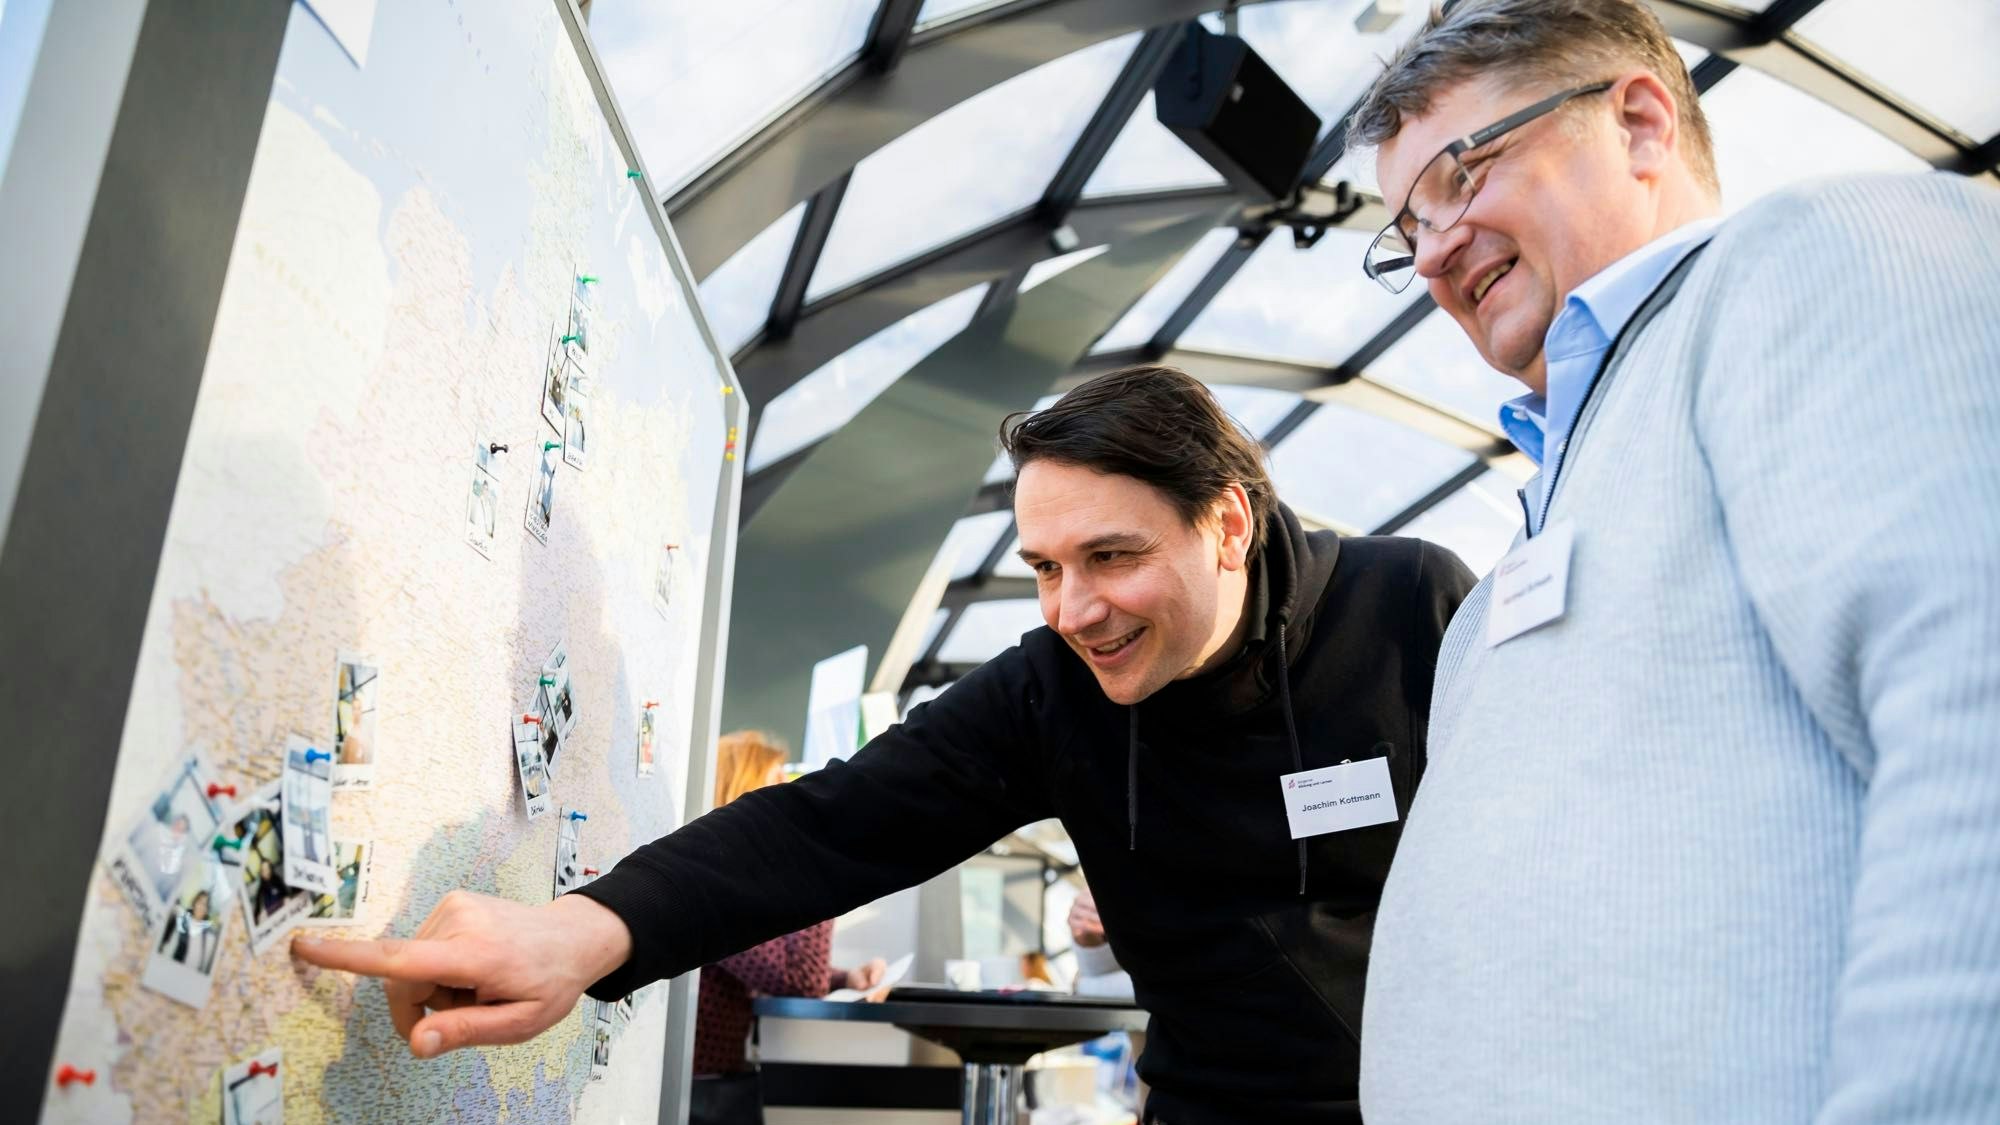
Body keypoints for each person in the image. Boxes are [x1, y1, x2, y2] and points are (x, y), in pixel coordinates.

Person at [294, 364, 1475, 1124]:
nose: (1072, 612)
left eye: (1110, 557)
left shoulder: (1408, 607)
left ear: (1224, 521)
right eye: (1045, 571)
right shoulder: (1051, 691)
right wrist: (577, 933)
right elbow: (828, 826)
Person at [1339, 2, 2000, 1121]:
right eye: (1405, 231)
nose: (1434, 249)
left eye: (1459, 174)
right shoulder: (1507, 573)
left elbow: (1974, 713)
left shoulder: (1811, 257)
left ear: (1639, 124)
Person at [687, 730, 888, 1125]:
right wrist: (823, 861)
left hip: (710, 1086)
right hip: (704, 1094)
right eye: (777, 780)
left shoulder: (719, 868)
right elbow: (799, 979)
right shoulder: (720, 878)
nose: (790, 794)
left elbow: (769, 961)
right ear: (743, 788)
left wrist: (845, 977)